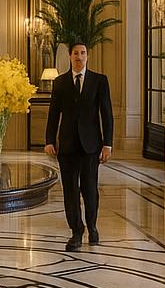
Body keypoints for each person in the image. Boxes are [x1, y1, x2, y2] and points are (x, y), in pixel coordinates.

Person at [44, 41, 114, 250]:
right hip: (67, 147)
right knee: (70, 192)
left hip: (91, 146)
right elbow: (54, 114)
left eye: (83, 53)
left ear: (87, 56)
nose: (79, 56)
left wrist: (107, 144)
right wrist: (49, 140)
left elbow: (107, 114)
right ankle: (76, 230)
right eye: (76, 53)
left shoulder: (99, 81)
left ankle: (92, 226)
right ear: (70, 56)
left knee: (90, 190)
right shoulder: (60, 82)